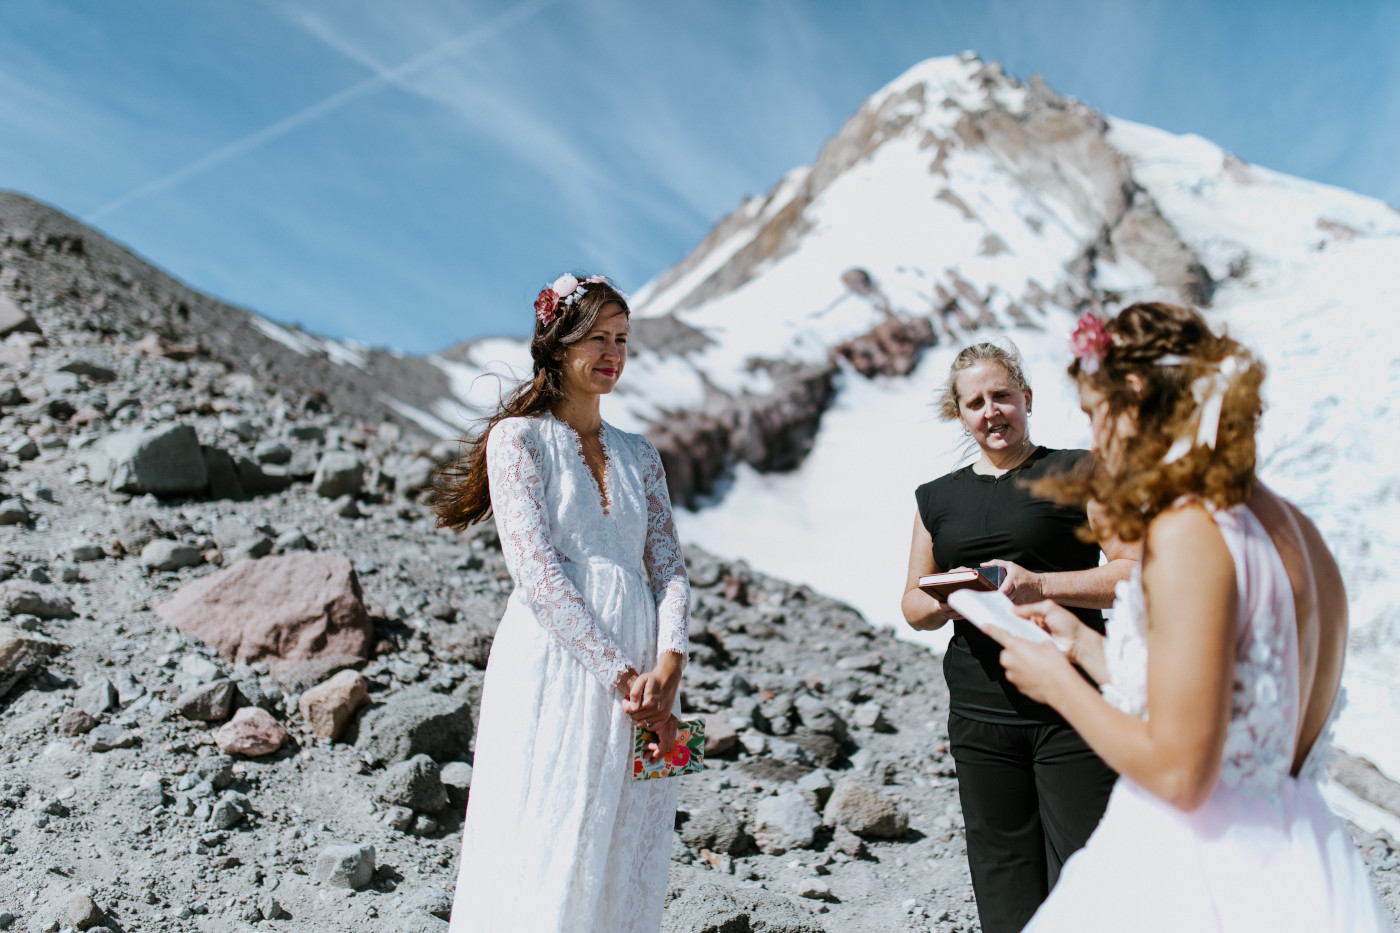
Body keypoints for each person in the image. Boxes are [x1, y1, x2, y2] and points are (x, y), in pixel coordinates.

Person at [986, 303, 1390, 931]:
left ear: (1137, 395)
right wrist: (1083, 650)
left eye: (1097, 414)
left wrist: (1054, 684)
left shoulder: (1190, 534)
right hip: (1300, 857)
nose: (1096, 441)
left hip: (1200, 871)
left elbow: (1181, 773)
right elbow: (1233, 706)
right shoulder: (1292, 527)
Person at [435, 274, 689, 933]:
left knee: (631, 833)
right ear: (557, 343)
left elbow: (670, 570)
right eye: (597, 337)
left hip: (648, 677)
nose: (612, 351)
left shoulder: (642, 454)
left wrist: (670, 664)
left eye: (622, 339)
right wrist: (621, 673)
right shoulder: (517, 439)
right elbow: (535, 571)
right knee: (548, 819)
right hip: (560, 659)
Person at [901, 342, 1140, 933]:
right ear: (961, 415)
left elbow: (1134, 571)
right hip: (980, 712)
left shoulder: (1081, 470)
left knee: (1093, 871)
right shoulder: (936, 498)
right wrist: (946, 600)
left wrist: (1041, 586)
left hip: (1074, 703)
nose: (992, 411)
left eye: (1002, 396)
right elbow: (910, 605)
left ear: (1026, 399)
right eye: (976, 402)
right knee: (1001, 873)